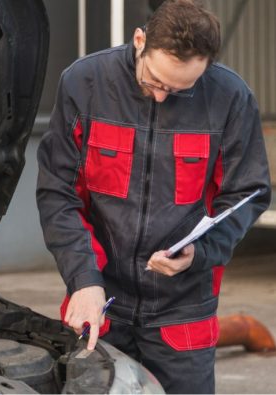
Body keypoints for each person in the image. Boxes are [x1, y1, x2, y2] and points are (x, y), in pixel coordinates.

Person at [36, 0, 271, 393]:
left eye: (180, 89)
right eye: (155, 82)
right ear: (139, 40)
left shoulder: (230, 98)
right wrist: (83, 279)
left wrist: (201, 252)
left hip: (183, 311)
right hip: (101, 300)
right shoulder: (85, 83)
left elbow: (248, 195)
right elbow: (58, 193)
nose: (162, 96)